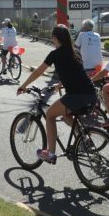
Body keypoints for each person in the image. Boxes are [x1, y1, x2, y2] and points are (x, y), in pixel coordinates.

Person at [18, 25, 98, 164]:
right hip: (91, 94)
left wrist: (23, 86)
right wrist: (60, 85)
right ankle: (83, 138)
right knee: (65, 115)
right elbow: (76, 74)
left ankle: (51, 153)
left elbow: (38, 72)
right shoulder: (75, 52)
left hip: (76, 96)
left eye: (52, 38)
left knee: (50, 115)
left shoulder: (55, 54)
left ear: (55, 38)